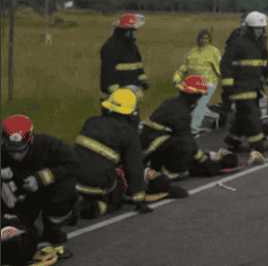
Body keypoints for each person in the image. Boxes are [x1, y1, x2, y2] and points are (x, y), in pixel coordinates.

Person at [1, 115, 79, 261]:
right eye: (10, 149)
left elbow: (73, 163)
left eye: (19, 150)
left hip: (52, 190)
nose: (15, 154)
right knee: (18, 231)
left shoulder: (48, 144)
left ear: (30, 140)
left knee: (65, 189)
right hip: (25, 197)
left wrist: (41, 178)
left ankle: (56, 234)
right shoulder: (2, 154)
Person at [74, 89, 154, 219]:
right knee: (119, 186)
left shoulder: (91, 121)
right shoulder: (128, 133)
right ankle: (96, 207)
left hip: (73, 180)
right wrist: (139, 199)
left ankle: (75, 200)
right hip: (96, 185)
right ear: (131, 112)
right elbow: (134, 169)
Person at [143, 75, 244, 176]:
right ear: (194, 95)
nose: (200, 99)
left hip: (150, 146)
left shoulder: (173, 103)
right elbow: (187, 140)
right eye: (200, 95)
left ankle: (161, 166)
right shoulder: (181, 112)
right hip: (152, 148)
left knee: (185, 146)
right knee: (184, 145)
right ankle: (172, 172)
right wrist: (206, 161)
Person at [219, 11, 268, 159]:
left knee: (242, 115)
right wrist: (228, 85)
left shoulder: (260, 44)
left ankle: (233, 141)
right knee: (252, 114)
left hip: (254, 85)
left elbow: (265, 62)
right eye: (257, 28)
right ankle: (257, 144)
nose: (260, 31)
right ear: (250, 29)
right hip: (240, 86)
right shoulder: (237, 44)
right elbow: (225, 65)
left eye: (262, 28)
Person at [172, 29, 222, 135]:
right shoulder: (193, 51)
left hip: (209, 82)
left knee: (200, 104)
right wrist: (176, 79)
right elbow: (183, 68)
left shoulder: (214, 51)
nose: (204, 40)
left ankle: (193, 129)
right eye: (201, 38)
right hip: (194, 83)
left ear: (209, 40)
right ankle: (215, 117)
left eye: (206, 38)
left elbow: (219, 68)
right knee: (196, 105)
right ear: (198, 39)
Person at [100, 13, 148, 105]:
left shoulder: (132, 45)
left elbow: (138, 65)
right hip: (114, 96)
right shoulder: (110, 46)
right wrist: (117, 92)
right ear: (126, 31)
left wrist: (142, 80)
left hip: (131, 90)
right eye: (133, 31)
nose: (135, 33)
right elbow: (107, 73)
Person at [209, 13, 248, 125]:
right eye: (242, 22)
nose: (243, 24)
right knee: (227, 95)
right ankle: (222, 121)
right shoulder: (235, 33)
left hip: (244, 71)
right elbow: (228, 47)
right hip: (232, 69)